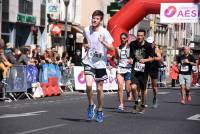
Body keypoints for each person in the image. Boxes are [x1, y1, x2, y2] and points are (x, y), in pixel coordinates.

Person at [82, 10, 114, 122]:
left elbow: (112, 48)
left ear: (100, 20)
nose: (94, 20)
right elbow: (85, 39)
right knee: (88, 85)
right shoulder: (86, 29)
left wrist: (103, 42)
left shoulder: (104, 32)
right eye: (93, 18)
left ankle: (100, 110)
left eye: (97, 19)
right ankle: (91, 104)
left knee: (100, 89)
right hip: (89, 61)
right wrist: (85, 45)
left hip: (100, 63)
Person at [129, 29, 154, 114]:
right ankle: (136, 103)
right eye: (138, 35)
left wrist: (145, 60)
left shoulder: (148, 46)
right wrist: (130, 60)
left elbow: (152, 58)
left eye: (141, 36)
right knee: (133, 87)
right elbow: (131, 56)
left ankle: (142, 104)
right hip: (135, 69)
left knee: (143, 90)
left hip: (144, 70)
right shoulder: (132, 44)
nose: (139, 37)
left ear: (144, 36)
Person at [115, 32, 133, 111]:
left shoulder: (130, 48)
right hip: (120, 68)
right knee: (119, 87)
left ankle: (129, 92)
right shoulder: (117, 48)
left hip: (128, 68)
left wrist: (132, 60)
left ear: (127, 39)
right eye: (121, 38)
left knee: (128, 88)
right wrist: (114, 60)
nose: (122, 40)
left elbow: (134, 57)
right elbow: (116, 58)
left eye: (124, 38)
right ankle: (121, 104)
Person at [146, 37, 161, 108]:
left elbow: (159, 58)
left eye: (150, 43)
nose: (149, 44)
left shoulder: (156, 49)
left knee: (154, 87)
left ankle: (155, 97)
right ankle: (143, 101)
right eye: (148, 43)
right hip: (146, 68)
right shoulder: (145, 48)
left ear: (153, 43)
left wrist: (153, 58)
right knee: (144, 84)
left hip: (154, 68)